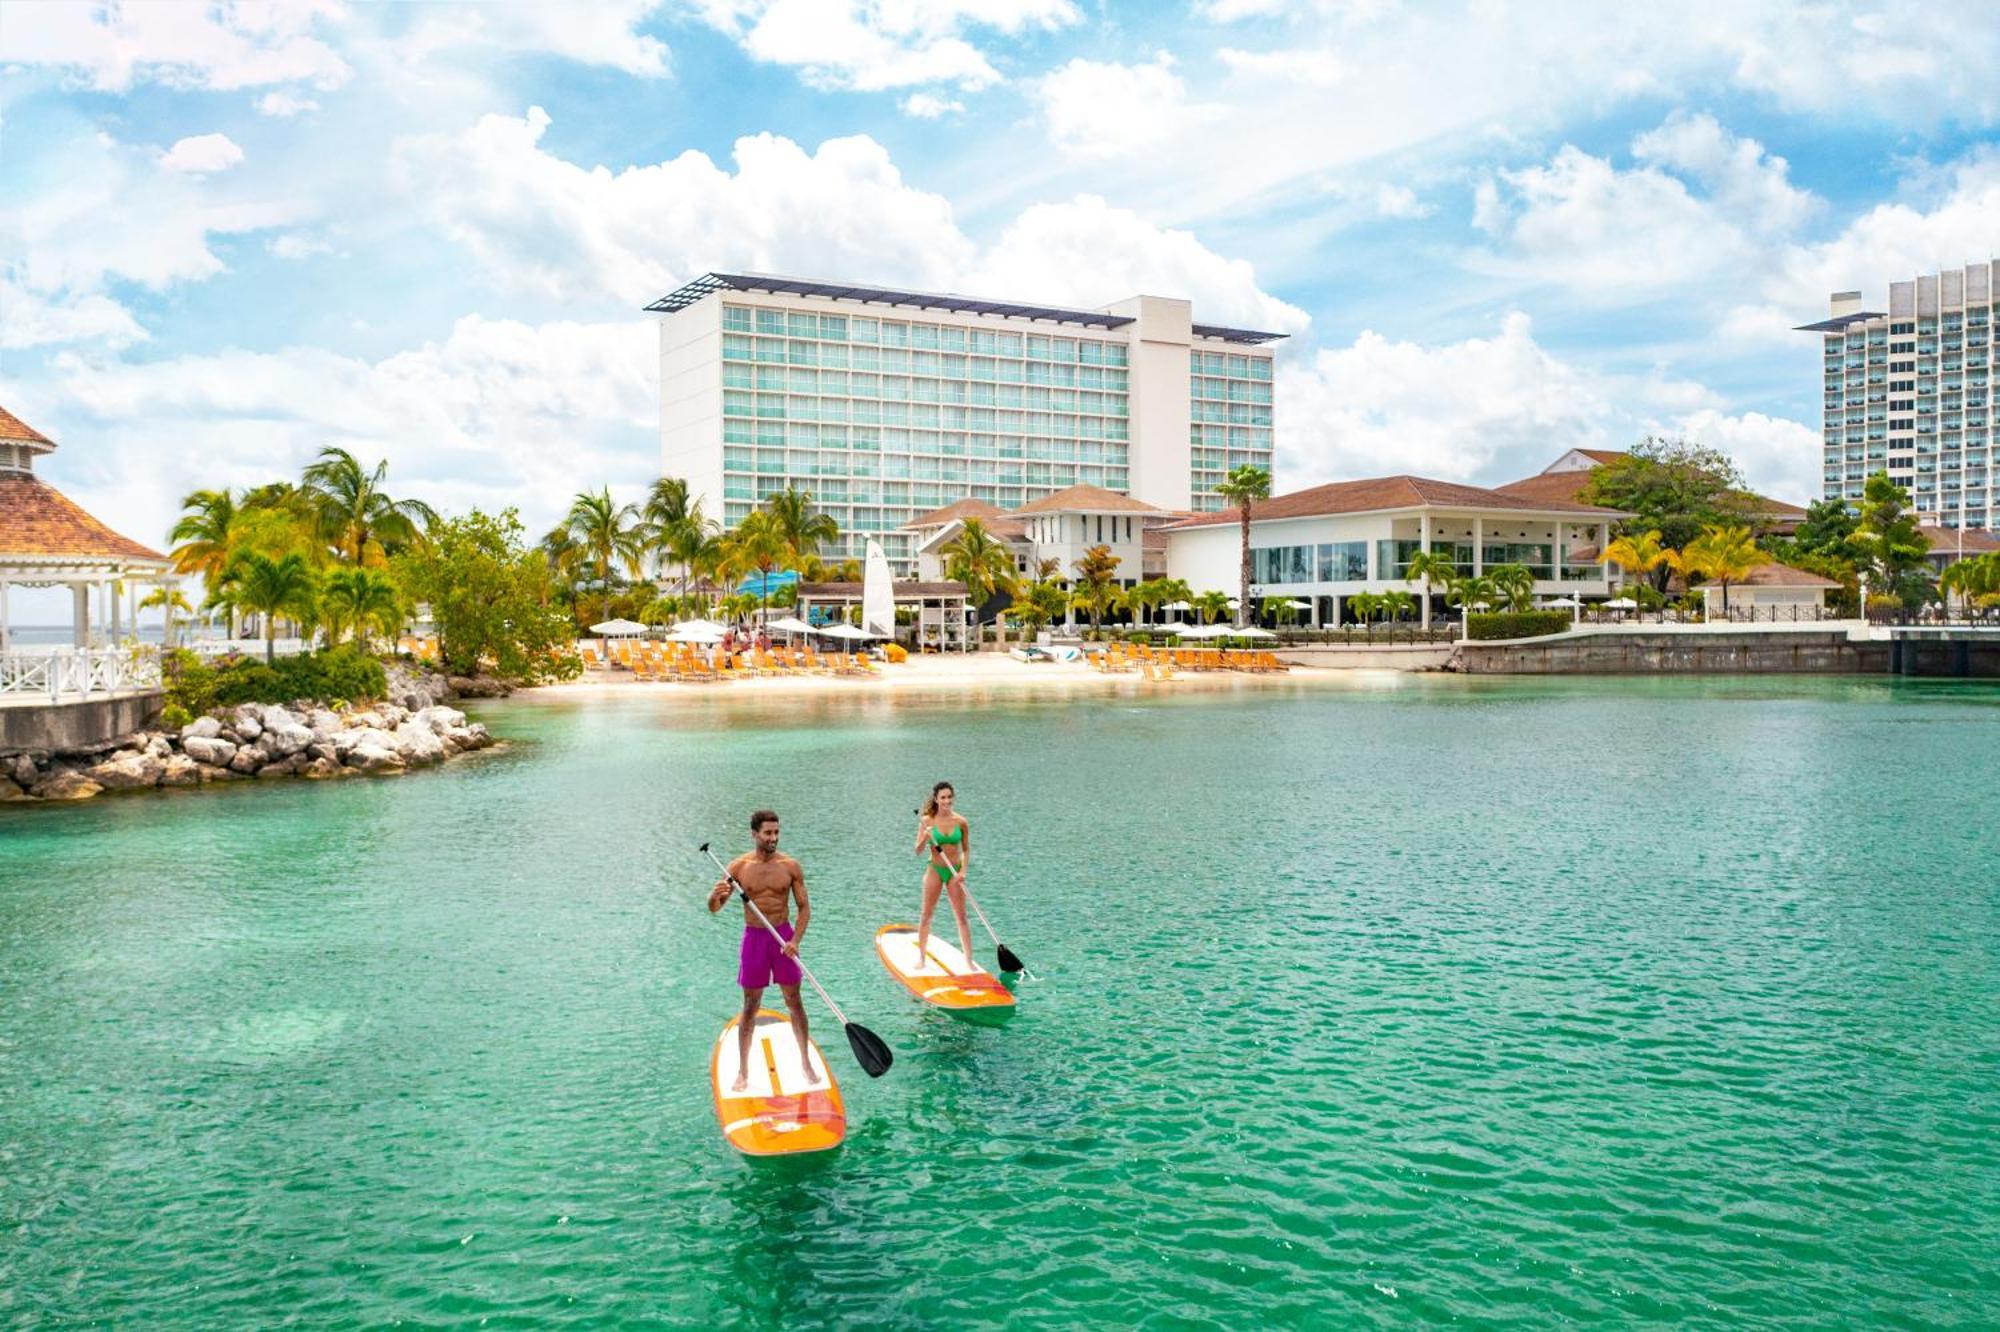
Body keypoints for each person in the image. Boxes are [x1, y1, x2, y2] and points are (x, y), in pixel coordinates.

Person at [708, 808, 816, 1091]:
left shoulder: (790, 866)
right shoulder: (738, 867)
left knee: (795, 1002)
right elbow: (715, 909)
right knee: (750, 1006)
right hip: (755, 938)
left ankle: (805, 1062)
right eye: (768, 833)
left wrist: (796, 941)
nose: (773, 838)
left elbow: (805, 909)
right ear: (754, 834)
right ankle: (743, 1072)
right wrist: (713, 896)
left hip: (783, 937)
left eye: (776, 832)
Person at [913, 781, 975, 971]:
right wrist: (925, 836)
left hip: (954, 872)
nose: (947, 801)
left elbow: (965, 849)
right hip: (935, 870)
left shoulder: (961, 822)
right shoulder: (927, 821)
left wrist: (963, 871)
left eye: (949, 797)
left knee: (962, 917)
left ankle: (969, 961)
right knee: (926, 915)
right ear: (936, 799)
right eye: (943, 797)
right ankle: (921, 959)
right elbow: (917, 850)